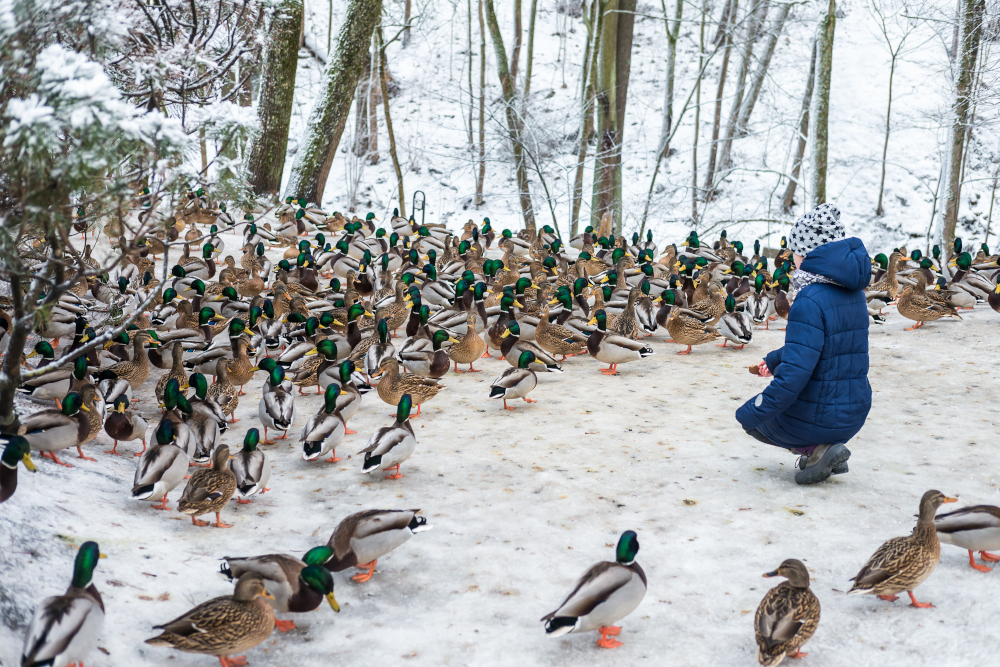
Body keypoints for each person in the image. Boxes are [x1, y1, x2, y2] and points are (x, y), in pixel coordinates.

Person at [735, 204, 872, 485]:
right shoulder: (854, 294)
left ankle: (818, 450)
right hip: (854, 411)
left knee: (754, 422)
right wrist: (775, 360)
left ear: (807, 253)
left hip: (820, 417)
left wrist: (752, 411)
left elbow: (794, 378)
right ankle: (824, 450)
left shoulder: (809, 300)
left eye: (794, 249)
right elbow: (828, 345)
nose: (791, 256)